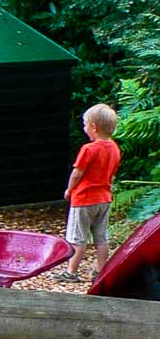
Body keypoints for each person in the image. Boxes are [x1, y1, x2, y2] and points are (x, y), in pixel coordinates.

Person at [63, 102, 121, 279]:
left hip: (84, 199)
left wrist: (69, 190)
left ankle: (71, 272)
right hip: (104, 198)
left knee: (78, 237)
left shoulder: (88, 149)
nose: (84, 128)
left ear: (94, 127)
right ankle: (101, 271)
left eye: (85, 124)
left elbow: (77, 173)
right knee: (101, 237)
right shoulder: (114, 148)